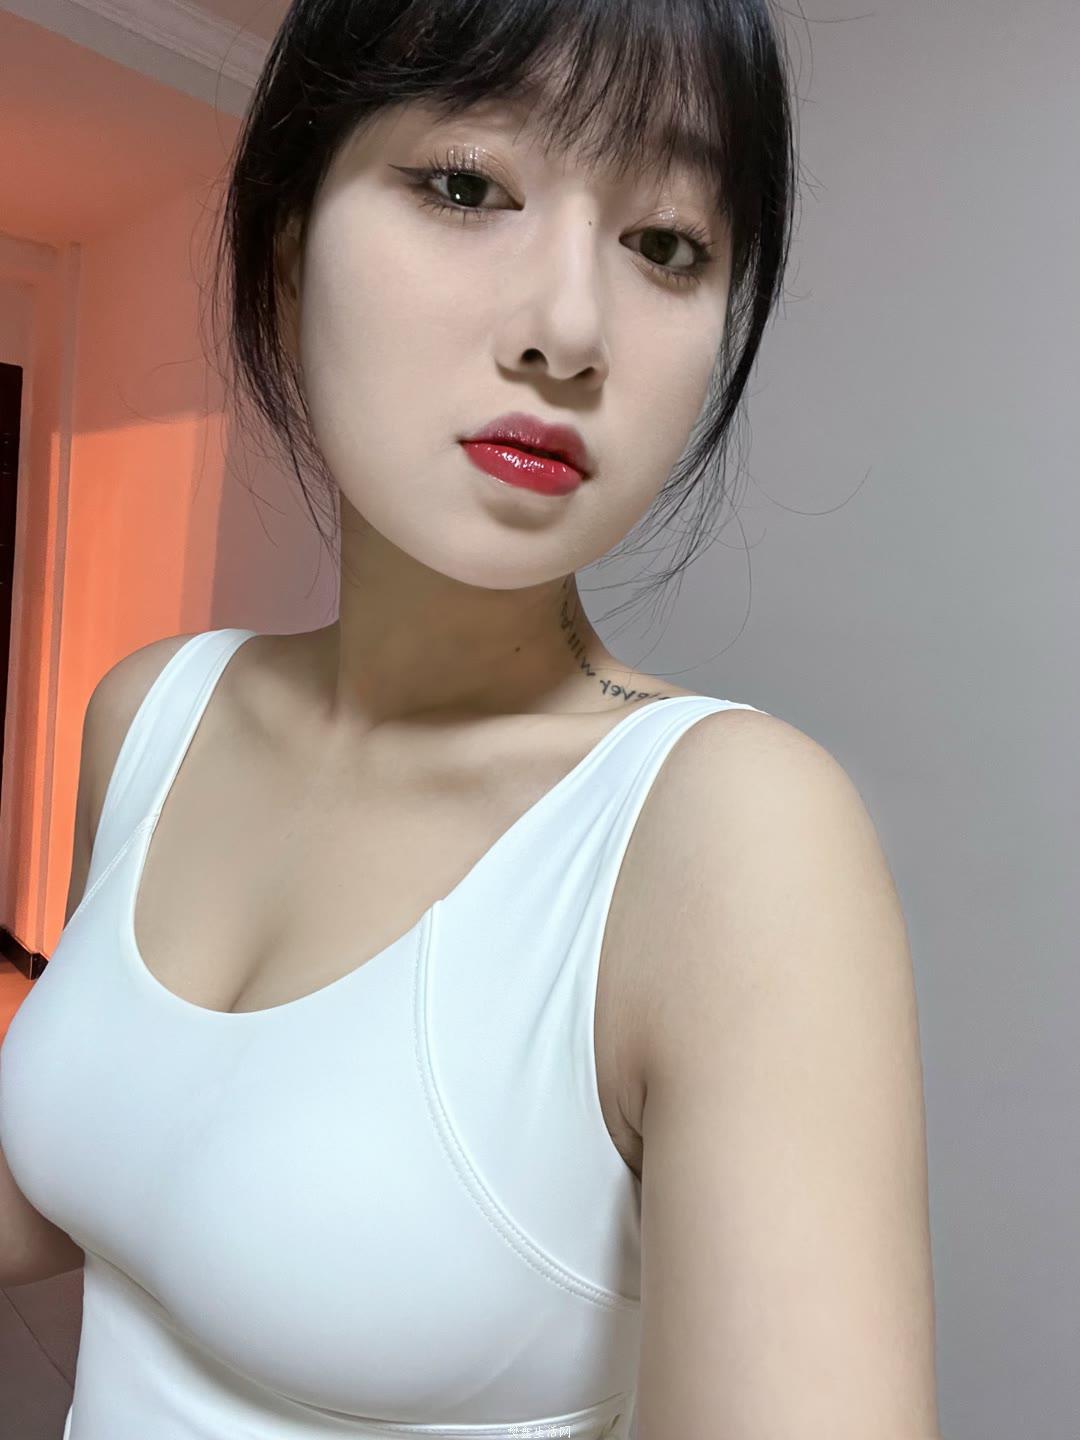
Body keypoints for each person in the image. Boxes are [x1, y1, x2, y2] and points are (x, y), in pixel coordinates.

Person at [0, 2, 942, 1437]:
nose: (571, 330)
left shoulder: (727, 838)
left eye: (666, 244)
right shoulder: (156, 709)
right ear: (287, 250)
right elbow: (84, 1184)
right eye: (466, 184)